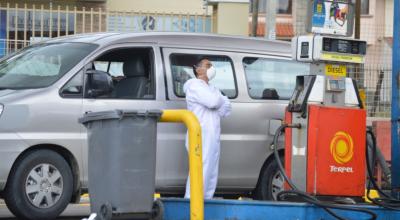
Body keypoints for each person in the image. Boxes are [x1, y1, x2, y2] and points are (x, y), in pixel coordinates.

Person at [183, 57, 231, 199]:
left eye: (212, 65)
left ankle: (205, 205)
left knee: (210, 173)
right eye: (208, 65)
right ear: (198, 69)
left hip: (212, 136)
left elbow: (226, 108)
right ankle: (191, 206)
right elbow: (213, 102)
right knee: (199, 172)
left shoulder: (212, 88)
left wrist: (219, 98)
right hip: (200, 135)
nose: (212, 68)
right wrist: (220, 98)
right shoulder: (194, 86)